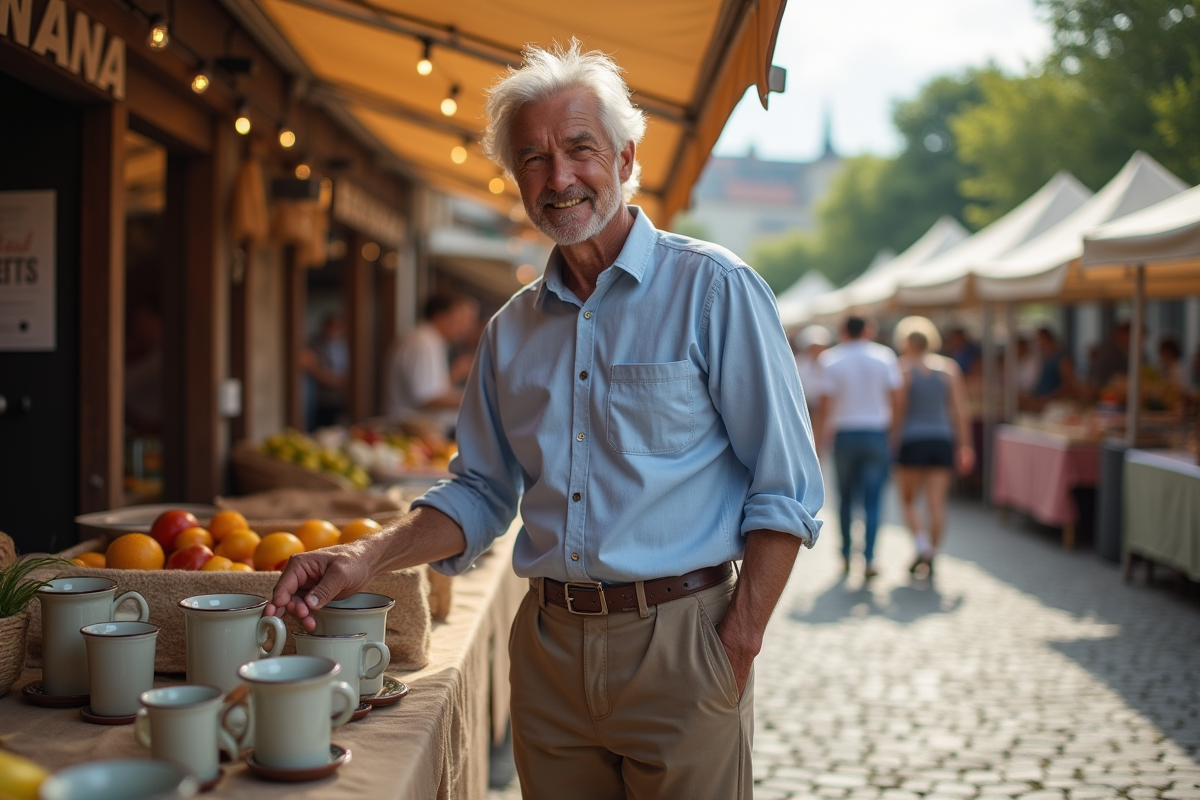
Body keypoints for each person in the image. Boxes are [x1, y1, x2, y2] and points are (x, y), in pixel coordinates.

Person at [266, 41, 823, 800]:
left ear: (626, 159)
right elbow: (480, 493)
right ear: (514, 180)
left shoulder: (716, 290)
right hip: (549, 651)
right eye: (532, 158)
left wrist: (739, 640)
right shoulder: (509, 330)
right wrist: (363, 558)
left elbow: (786, 484)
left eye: (579, 149)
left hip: (682, 641)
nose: (558, 177)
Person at [818, 315, 903, 578]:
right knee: (873, 500)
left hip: (844, 434)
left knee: (844, 498)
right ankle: (869, 558)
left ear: (843, 331)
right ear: (869, 329)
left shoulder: (831, 359)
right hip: (876, 433)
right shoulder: (885, 357)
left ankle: (845, 553)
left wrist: (818, 441)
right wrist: (894, 433)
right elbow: (897, 399)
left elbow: (825, 405)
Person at [891, 317, 975, 578]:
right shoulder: (948, 369)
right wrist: (965, 446)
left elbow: (899, 409)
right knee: (936, 503)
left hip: (912, 440)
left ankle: (922, 545)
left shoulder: (903, 370)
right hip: (941, 439)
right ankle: (934, 552)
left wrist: (892, 437)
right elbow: (960, 411)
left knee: (907, 500)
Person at [383, 293, 479, 430]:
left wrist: (455, 373)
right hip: (409, 433)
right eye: (460, 319)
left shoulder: (429, 340)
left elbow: (431, 388)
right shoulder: (423, 343)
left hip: (415, 431)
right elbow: (426, 398)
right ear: (440, 318)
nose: (465, 328)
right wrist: (478, 398)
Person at [301, 314, 348, 429]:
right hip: (320, 399)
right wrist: (334, 380)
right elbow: (310, 367)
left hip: (340, 398)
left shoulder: (344, 345)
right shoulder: (315, 345)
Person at [793, 324, 832, 445]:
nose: (817, 350)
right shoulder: (798, 364)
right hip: (807, 410)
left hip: (828, 410)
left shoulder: (831, 362)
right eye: (814, 347)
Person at [1030, 326, 1075, 407]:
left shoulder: (1062, 357)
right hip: (1039, 397)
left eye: (1038, 339)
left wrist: (1049, 398)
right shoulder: (1044, 356)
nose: (1036, 343)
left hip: (1051, 402)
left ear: (1045, 338)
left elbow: (1069, 384)